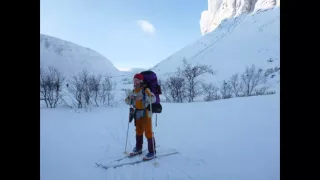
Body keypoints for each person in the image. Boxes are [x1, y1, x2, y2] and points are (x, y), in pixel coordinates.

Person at [125, 73, 157, 160]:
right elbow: (127, 101)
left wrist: (144, 97)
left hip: (146, 112)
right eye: (134, 80)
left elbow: (153, 99)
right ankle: (138, 148)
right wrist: (130, 99)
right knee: (138, 131)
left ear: (141, 81)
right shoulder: (134, 90)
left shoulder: (145, 89)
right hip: (137, 112)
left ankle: (152, 151)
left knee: (148, 131)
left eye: (137, 80)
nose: (135, 81)